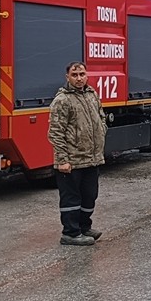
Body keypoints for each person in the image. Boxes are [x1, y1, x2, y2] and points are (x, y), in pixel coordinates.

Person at [48, 61, 108, 246]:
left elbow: (101, 117)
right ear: (67, 77)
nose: (79, 78)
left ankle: (84, 227)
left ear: (87, 75)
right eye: (74, 75)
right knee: (71, 199)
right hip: (71, 161)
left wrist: (102, 130)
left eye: (82, 74)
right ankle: (70, 233)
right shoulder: (62, 100)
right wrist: (63, 160)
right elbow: (55, 132)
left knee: (90, 196)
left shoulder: (91, 95)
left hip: (91, 159)